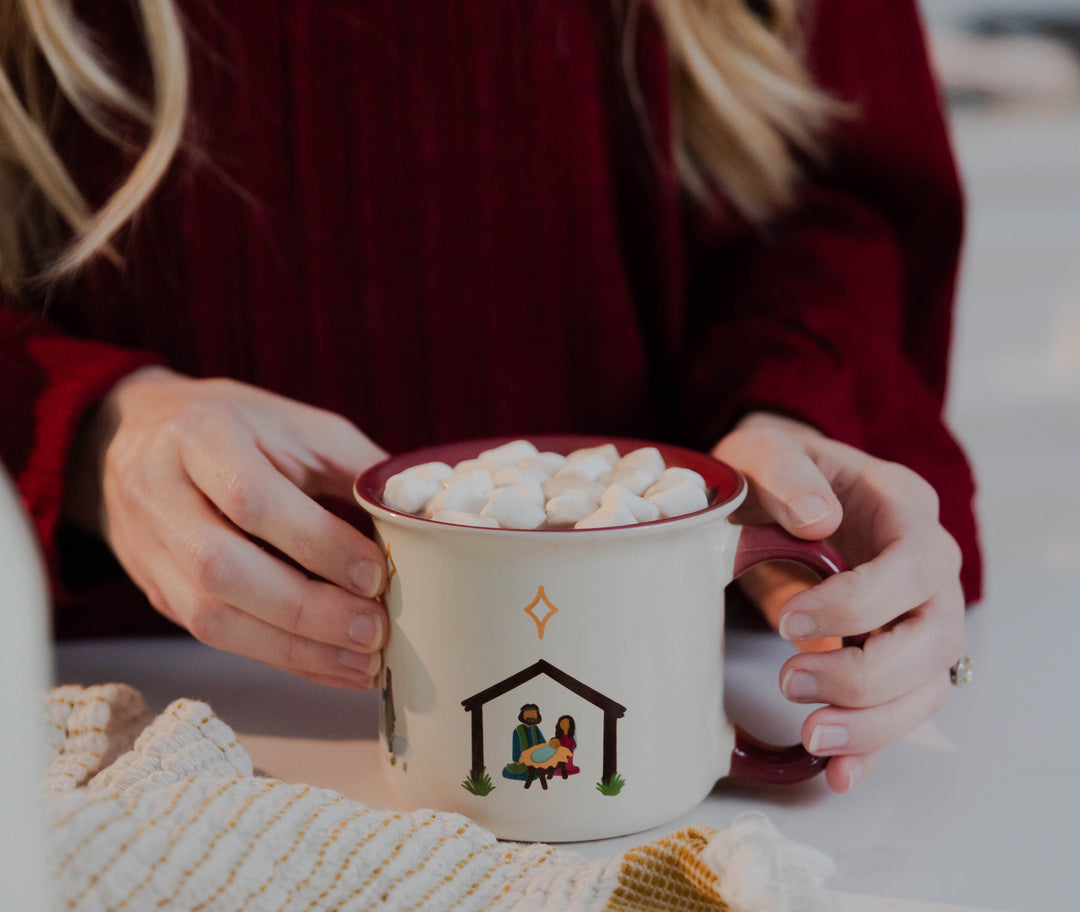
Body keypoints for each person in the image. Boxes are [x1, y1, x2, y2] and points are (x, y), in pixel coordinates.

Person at [0, 0, 980, 795]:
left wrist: (795, 416)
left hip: (692, 729)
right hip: (121, 743)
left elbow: (843, 188)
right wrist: (86, 429)